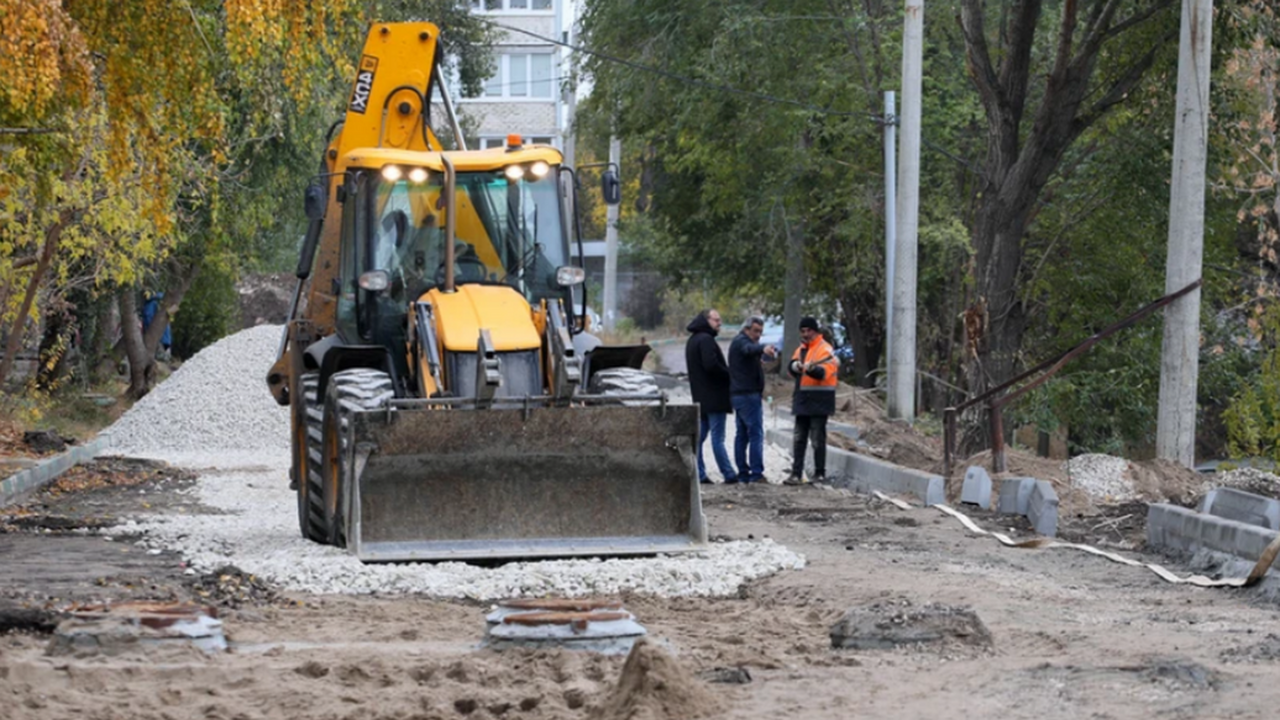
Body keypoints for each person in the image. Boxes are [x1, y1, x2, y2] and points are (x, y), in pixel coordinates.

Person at [785, 316, 840, 485]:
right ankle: (796, 473)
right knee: (799, 438)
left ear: (816, 332)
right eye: (803, 331)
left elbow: (825, 372)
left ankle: (819, 473)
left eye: (809, 330)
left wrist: (812, 369)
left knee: (817, 439)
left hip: (820, 400)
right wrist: (796, 366)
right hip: (802, 399)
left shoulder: (825, 349)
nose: (806, 334)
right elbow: (792, 367)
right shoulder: (801, 349)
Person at [685, 309, 737, 485]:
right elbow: (711, 365)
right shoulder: (706, 340)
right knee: (718, 438)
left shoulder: (693, 340)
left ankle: (699, 474)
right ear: (706, 320)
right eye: (716, 320)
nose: (719, 323)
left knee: (700, 439)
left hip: (701, 397)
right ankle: (728, 473)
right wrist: (729, 374)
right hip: (715, 397)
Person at [728, 316, 778, 483]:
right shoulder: (741, 342)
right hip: (747, 395)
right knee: (755, 434)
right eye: (755, 331)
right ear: (746, 329)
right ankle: (756, 474)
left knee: (742, 435)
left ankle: (743, 473)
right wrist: (763, 348)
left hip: (740, 394)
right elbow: (748, 349)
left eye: (760, 332)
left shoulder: (740, 342)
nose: (758, 335)